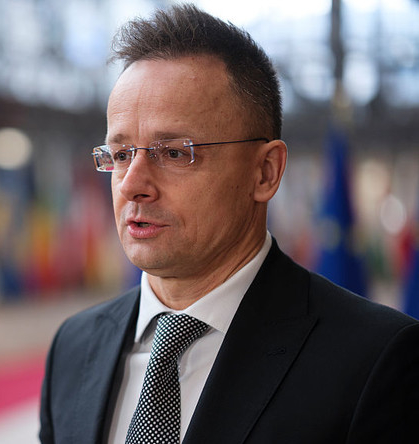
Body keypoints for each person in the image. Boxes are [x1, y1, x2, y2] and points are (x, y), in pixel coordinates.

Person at [38, 4, 419, 444]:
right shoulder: (73, 347)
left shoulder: (376, 361)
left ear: (265, 172)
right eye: (121, 155)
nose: (133, 185)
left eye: (174, 153)